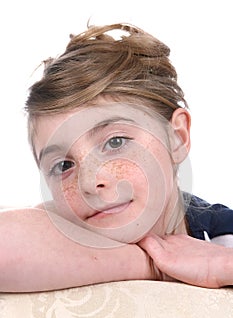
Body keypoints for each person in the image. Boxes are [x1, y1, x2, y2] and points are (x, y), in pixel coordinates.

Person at [0, 23, 233, 292]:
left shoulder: (224, 235)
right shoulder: (60, 226)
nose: (89, 182)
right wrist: (152, 264)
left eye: (116, 142)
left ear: (177, 137)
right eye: (64, 165)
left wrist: (224, 265)